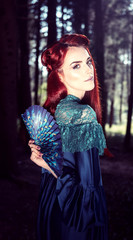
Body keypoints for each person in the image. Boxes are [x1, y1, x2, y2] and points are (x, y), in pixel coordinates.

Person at [28, 33, 108, 240]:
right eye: (76, 66)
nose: (88, 70)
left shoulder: (56, 111)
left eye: (88, 62)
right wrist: (47, 164)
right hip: (76, 214)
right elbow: (86, 186)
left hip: (52, 205)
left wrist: (45, 162)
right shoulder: (81, 114)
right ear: (60, 75)